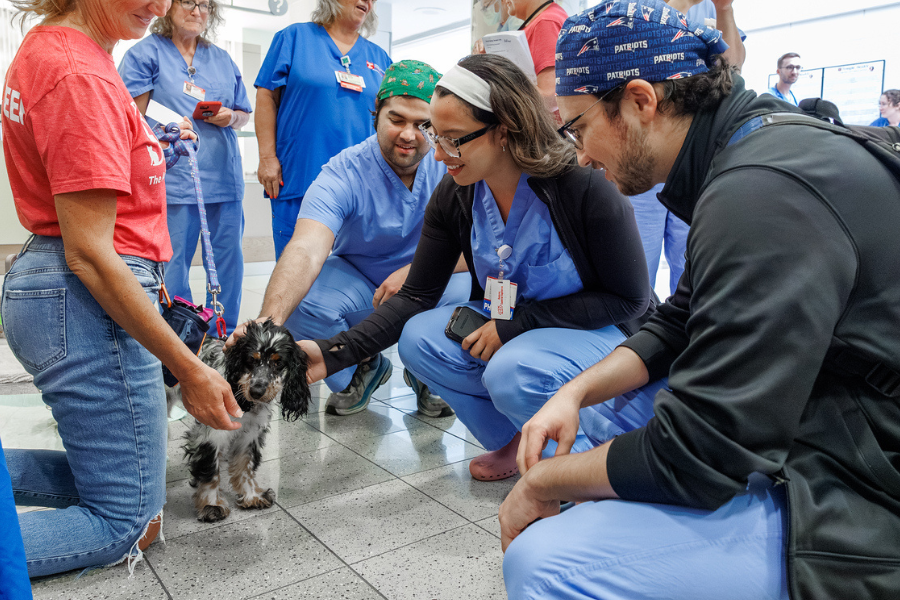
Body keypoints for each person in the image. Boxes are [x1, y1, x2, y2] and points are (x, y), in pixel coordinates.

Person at [500, 2, 900, 599]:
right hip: (824, 405)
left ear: (640, 101)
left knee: (547, 563)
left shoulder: (759, 193)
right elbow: (680, 318)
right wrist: (575, 392)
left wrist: (543, 485)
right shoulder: (748, 150)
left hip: (867, 474)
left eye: (578, 126)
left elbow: (702, 448)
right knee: (574, 406)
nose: (580, 154)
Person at [299, 54, 655, 482]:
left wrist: (517, 324)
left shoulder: (580, 184)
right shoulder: (457, 192)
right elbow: (416, 296)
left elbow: (629, 299)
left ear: (504, 131)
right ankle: (519, 437)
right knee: (420, 339)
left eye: (454, 139)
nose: (437, 155)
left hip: (601, 330)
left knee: (512, 368)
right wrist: (334, 352)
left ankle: (582, 467)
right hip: (518, 325)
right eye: (437, 135)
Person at [1, 0, 243, 578]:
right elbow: (90, 251)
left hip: (64, 280)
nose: (157, 5)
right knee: (128, 523)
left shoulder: (63, 52)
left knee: (139, 495)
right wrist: (190, 368)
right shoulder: (78, 73)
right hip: (85, 290)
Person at [227, 60, 470, 418]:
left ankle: (428, 373)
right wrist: (268, 322)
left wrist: (417, 272)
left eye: (423, 125)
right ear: (376, 116)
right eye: (397, 119)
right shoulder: (344, 172)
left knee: (464, 299)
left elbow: (482, 247)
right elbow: (307, 247)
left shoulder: (452, 166)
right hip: (360, 279)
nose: (408, 134)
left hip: (435, 277)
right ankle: (361, 366)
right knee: (304, 303)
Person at [119, 0, 252, 335]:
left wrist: (228, 117)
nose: (197, 10)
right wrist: (168, 125)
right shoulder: (145, 54)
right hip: (174, 177)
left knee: (227, 264)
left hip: (223, 177)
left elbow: (242, 113)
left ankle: (223, 336)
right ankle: (183, 338)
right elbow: (131, 117)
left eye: (205, 4)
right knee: (173, 264)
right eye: (189, 2)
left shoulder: (221, 59)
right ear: (168, 6)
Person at [254, 0, 391, 259]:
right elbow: (266, 98)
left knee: (353, 277)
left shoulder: (380, 58)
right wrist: (267, 157)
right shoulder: (294, 38)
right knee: (297, 269)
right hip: (300, 176)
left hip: (360, 187)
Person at [628, 0, 745, 295]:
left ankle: (689, 332)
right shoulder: (639, 6)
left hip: (697, 152)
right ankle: (640, 333)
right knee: (641, 261)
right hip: (650, 147)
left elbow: (732, 67)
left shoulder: (710, 7)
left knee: (692, 262)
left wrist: (725, 9)